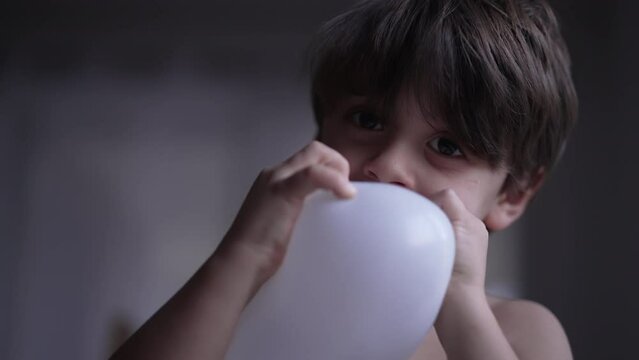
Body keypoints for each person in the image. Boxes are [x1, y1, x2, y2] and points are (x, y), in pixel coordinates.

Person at [111, 0, 578, 359]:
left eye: (448, 147)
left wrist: (460, 304)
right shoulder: (245, 301)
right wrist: (243, 254)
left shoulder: (520, 330)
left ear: (512, 195)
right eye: (367, 120)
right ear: (322, 133)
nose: (387, 165)